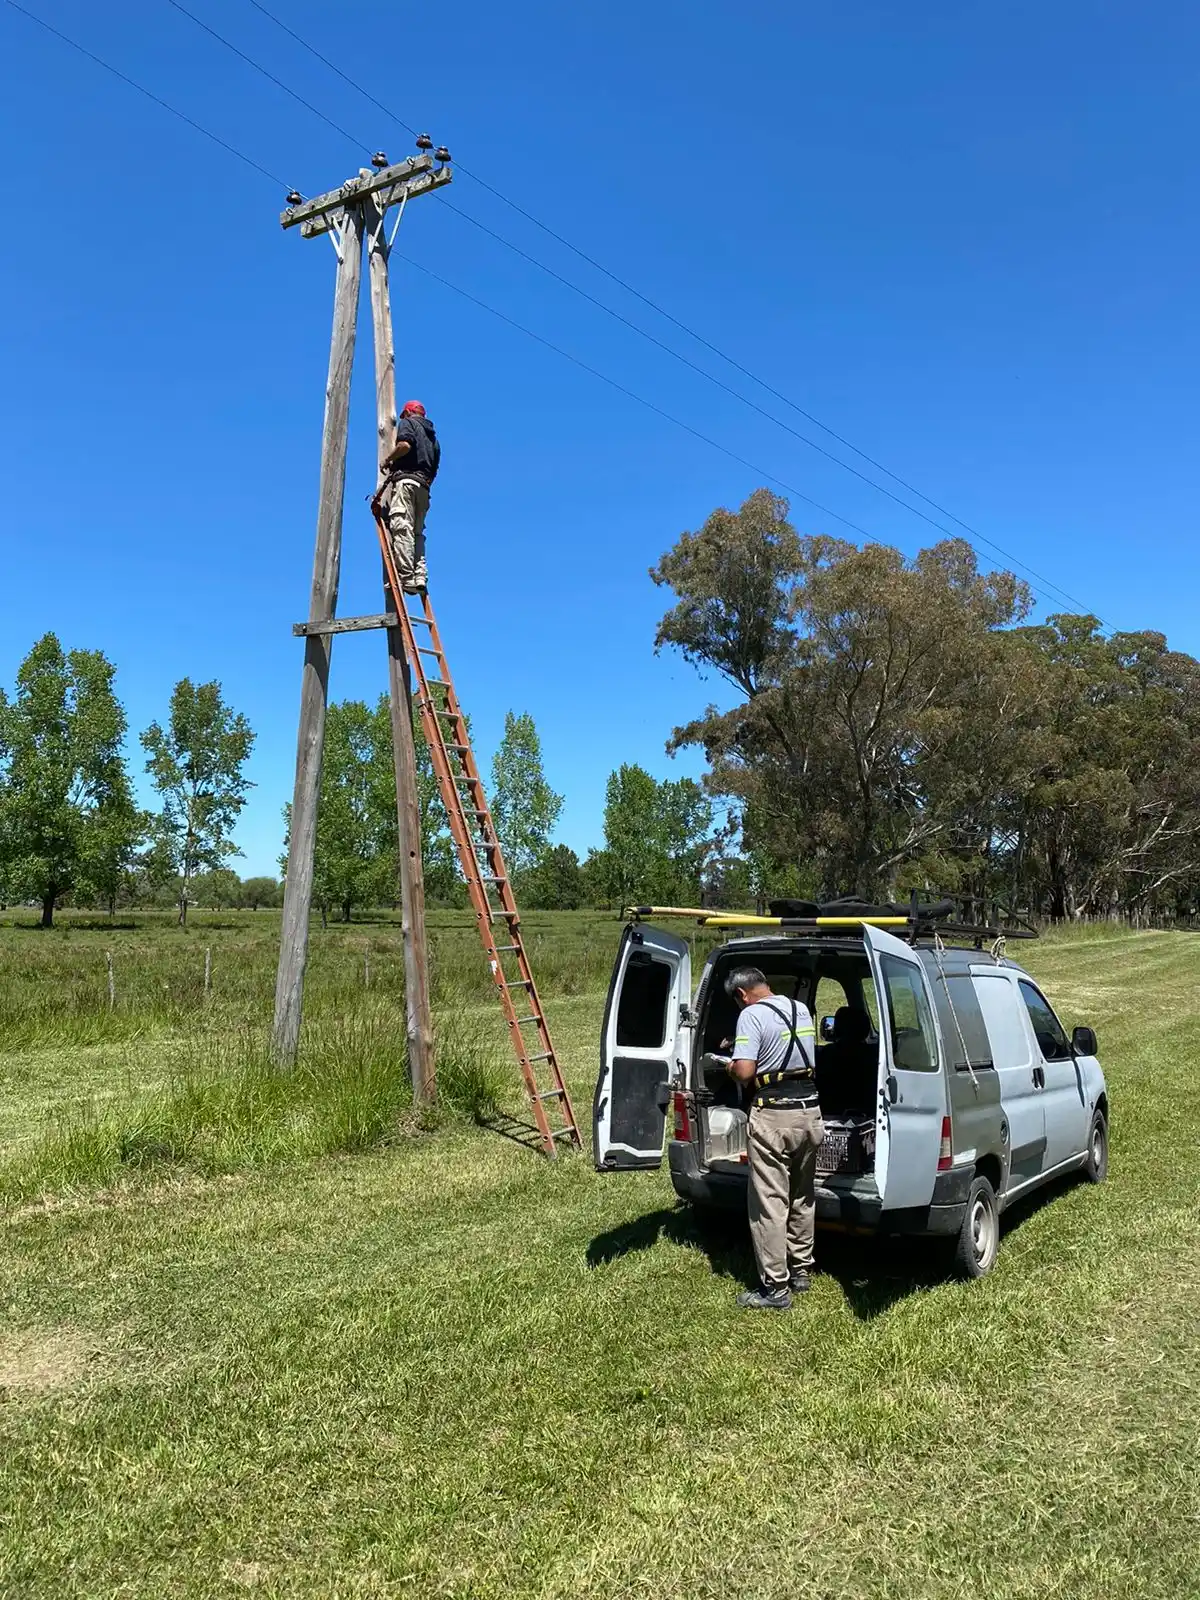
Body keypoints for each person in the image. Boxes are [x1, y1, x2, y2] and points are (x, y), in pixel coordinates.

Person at [724, 965, 823, 1311]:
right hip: (810, 1111)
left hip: (773, 1115)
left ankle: (776, 1288)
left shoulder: (750, 1015)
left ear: (742, 994)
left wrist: (729, 1065)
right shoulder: (800, 1008)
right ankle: (801, 1270)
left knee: (770, 1202)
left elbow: (746, 1071)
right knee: (802, 1195)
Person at [372, 400, 440, 594]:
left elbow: (405, 445)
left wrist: (388, 459)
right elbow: (434, 470)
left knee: (402, 527)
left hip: (407, 482)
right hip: (424, 488)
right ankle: (420, 576)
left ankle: (407, 578)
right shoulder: (433, 440)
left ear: (408, 413)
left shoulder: (408, 423)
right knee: (417, 533)